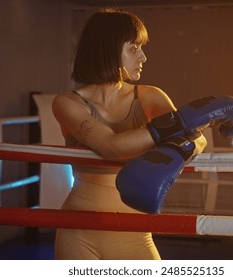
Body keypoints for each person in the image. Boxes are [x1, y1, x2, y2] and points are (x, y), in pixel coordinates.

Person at [51, 8, 208, 260]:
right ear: (109, 49)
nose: (143, 57)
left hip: (135, 233)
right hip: (79, 233)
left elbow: (197, 137)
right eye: (134, 48)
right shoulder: (68, 103)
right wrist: (176, 127)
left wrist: (183, 141)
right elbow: (112, 146)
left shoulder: (149, 96)